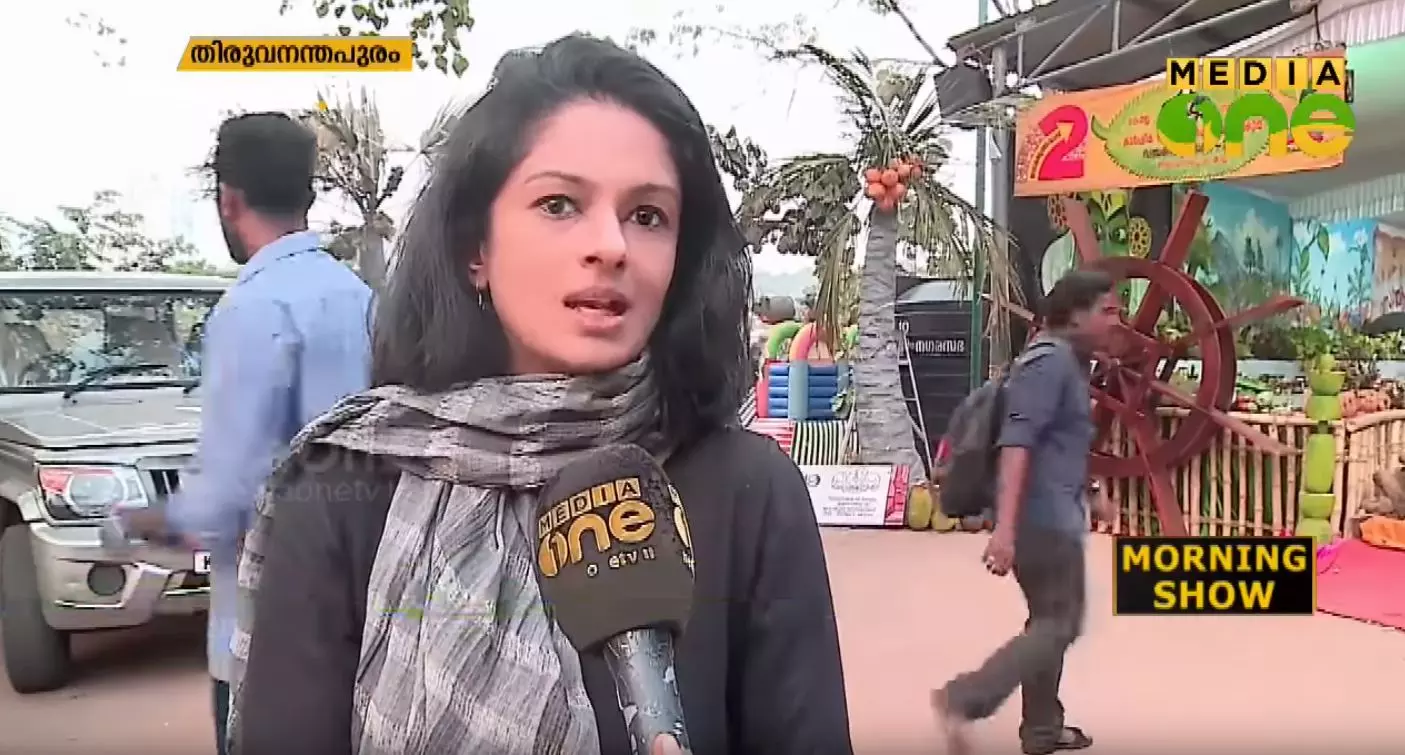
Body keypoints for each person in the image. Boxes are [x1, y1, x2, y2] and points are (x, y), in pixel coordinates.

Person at [228, 34, 852, 755]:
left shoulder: (748, 490)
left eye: (648, 215)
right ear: (475, 249)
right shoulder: (344, 490)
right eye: (559, 204)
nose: (611, 245)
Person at [120, 113, 374, 755]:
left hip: (266, 634)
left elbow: (228, 499)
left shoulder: (251, 308)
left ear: (228, 200)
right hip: (365, 617)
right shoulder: (362, 298)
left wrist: (143, 522)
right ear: (308, 196)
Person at [931, 270, 1120, 755]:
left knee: (1048, 621)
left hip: (1055, 515)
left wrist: (1091, 490)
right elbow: (1017, 444)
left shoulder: (1069, 363)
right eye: (1107, 312)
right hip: (1042, 522)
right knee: (1060, 623)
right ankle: (965, 697)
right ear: (1074, 315)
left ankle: (1041, 729)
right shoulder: (1048, 363)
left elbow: (1062, 444)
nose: (1116, 322)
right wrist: (1006, 532)